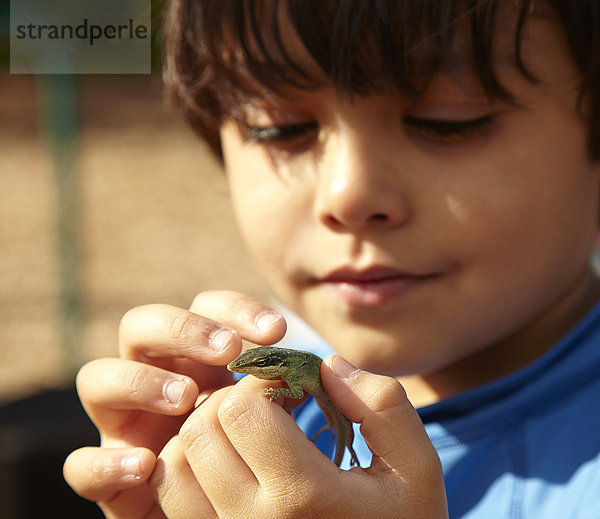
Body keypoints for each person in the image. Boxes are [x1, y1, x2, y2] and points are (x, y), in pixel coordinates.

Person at [63, 1, 600, 517]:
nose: (349, 194)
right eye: (279, 128)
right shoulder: (249, 392)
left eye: (448, 119)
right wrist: (187, 488)